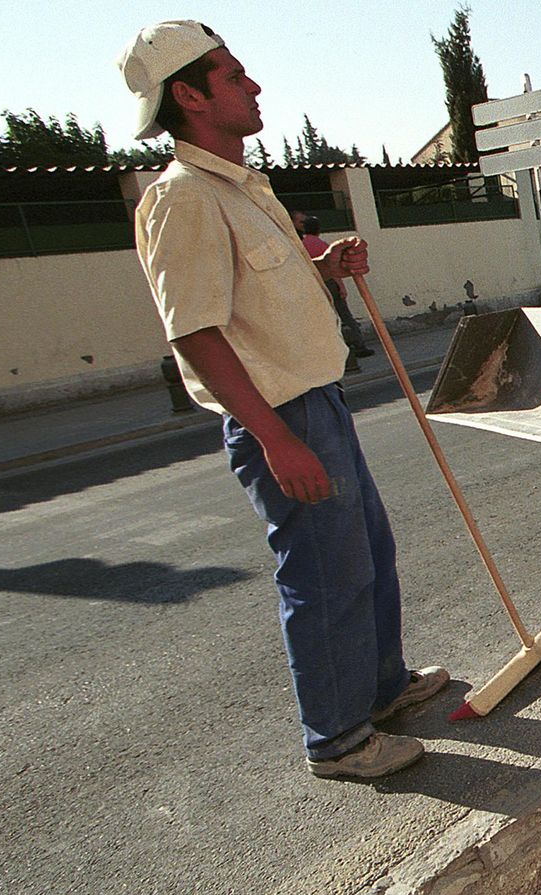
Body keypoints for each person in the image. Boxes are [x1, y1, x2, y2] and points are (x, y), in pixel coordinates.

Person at [118, 20, 446, 779]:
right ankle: (337, 739)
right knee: (324, 575)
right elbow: (195, 333)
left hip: (319, 401)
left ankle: (381, 688)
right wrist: (273, 437)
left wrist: (326, 268)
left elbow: (254, 296)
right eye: (234, 76)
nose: (255, 85)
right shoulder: (185, 198)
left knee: (368, 555)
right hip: (282, 415)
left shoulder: (243, 187)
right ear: (189, 95)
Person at [290, 209, 372, 361]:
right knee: (343, 314)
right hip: (327, 283)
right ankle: (359, 346)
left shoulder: (299, 244)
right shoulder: (321, 245)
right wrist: (341, 287)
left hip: (310, 285)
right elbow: (333, 270)